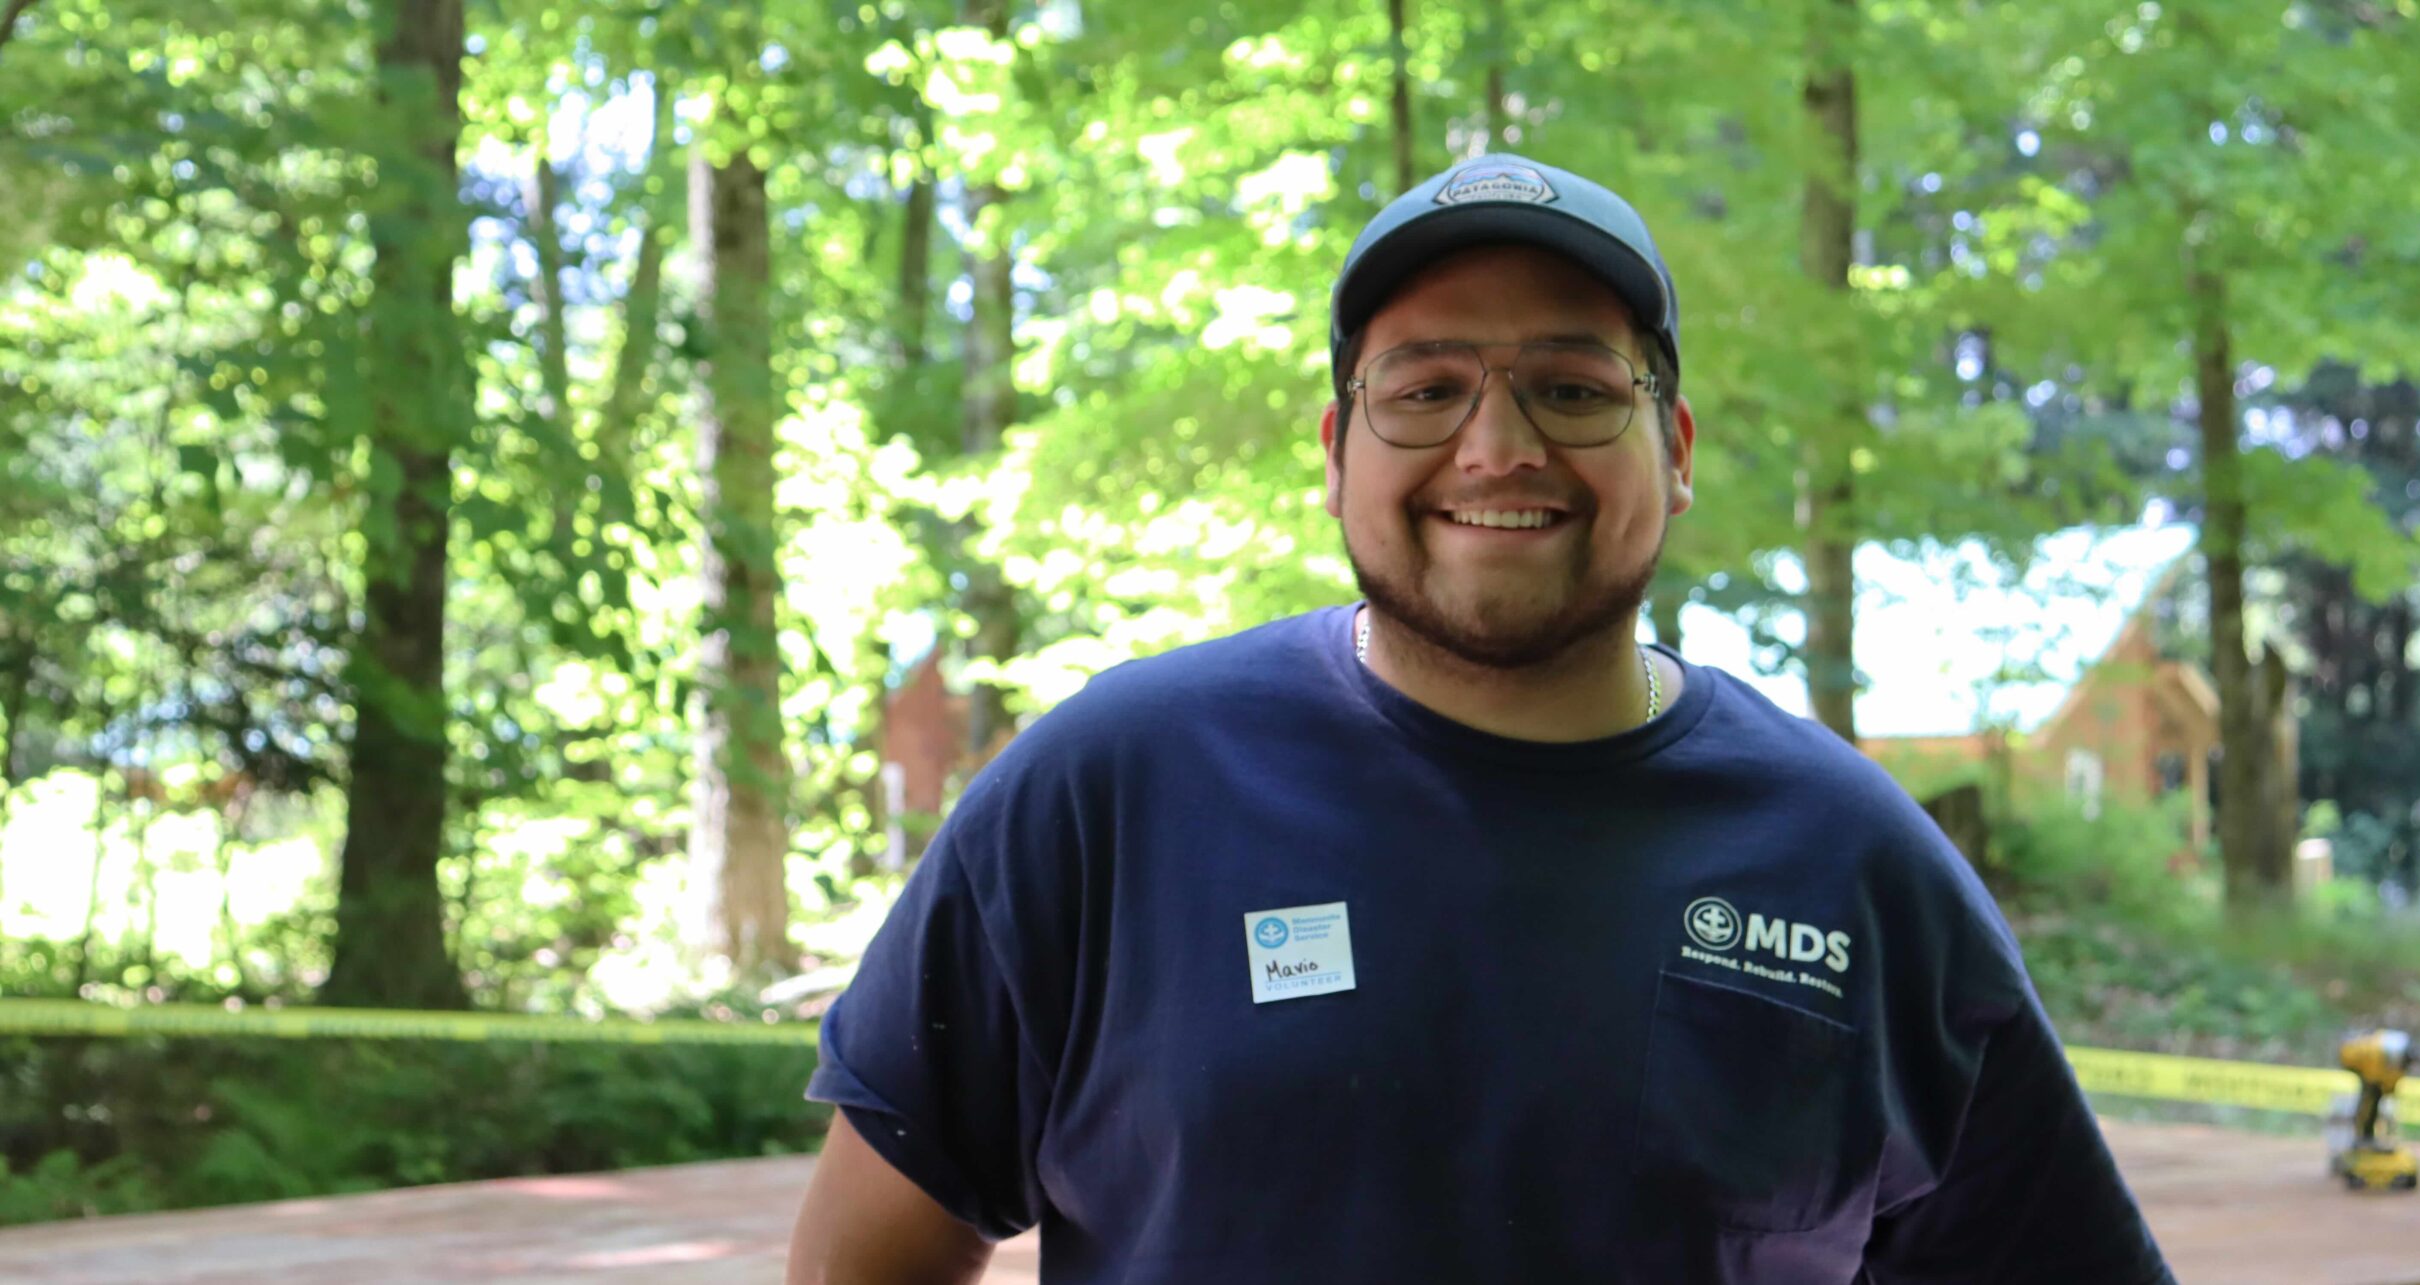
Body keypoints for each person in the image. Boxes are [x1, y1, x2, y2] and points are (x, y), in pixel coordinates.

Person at [788, 153, 2175, 1284]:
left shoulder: (1852, 863)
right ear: (1338, 454)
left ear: (1674, 451)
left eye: (1572, 388)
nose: (1498, 445)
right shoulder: (1111, 788)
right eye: (1425, 389)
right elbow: (869, 1258)